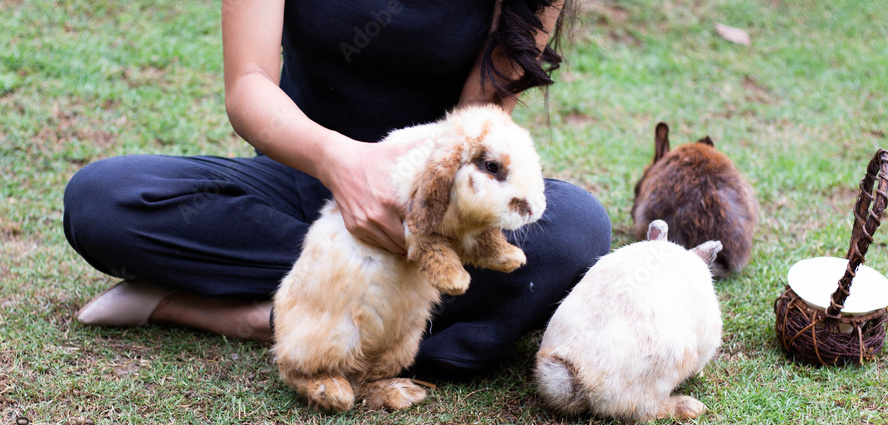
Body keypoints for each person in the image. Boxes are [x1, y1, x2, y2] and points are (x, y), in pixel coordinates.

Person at [63, 0, 611, 374]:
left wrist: (408, 198)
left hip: (427, 211)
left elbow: (476, 125)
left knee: (575, 232)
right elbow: (248, 83)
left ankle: (264, 319)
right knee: (104, 201)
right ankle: (368, 321)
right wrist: (341, 164)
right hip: (302, 184)